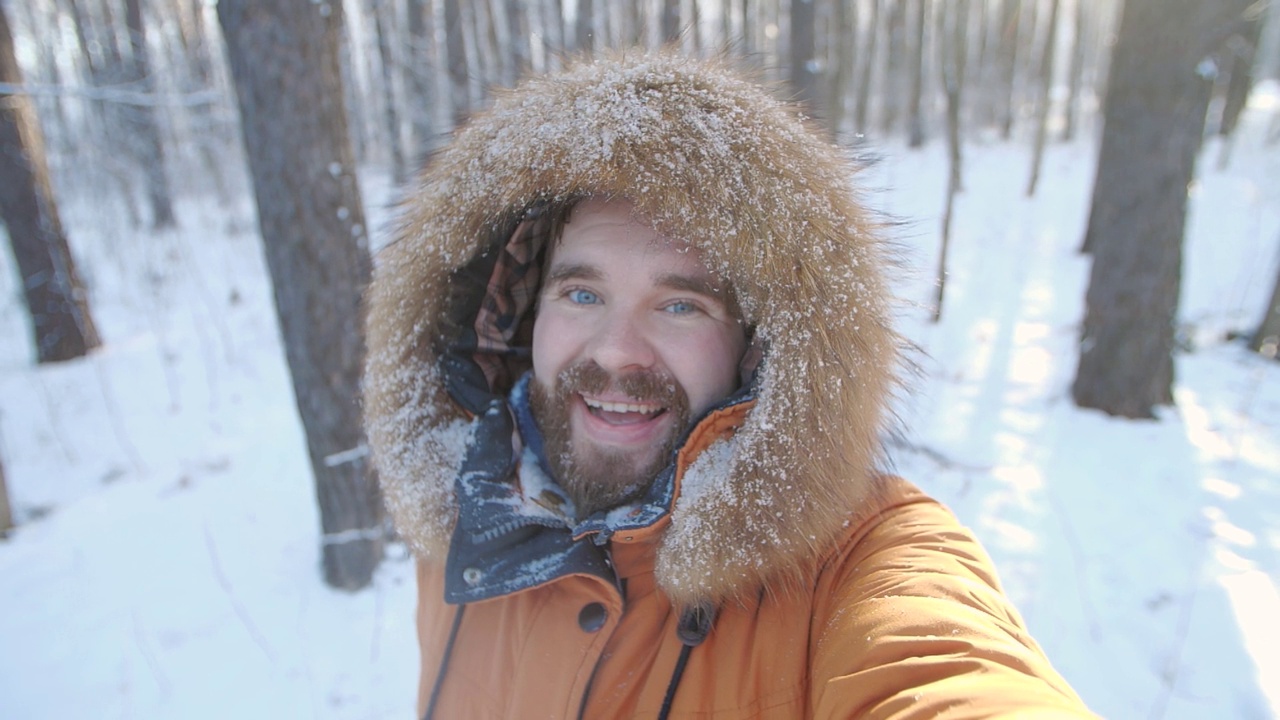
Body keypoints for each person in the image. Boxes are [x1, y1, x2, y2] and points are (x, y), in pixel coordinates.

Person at [363, 51, 1095, 719]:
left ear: (756, 345)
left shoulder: (862, 560)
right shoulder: (469, 520)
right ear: (522, 310)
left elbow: (947, 674)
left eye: (681, 305)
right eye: (581, 294)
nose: (617, 352)